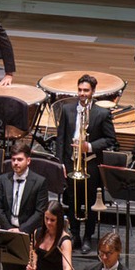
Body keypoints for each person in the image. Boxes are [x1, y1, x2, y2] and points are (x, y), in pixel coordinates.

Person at [53, 78, 118, 244]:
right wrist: (60, 163)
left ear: (93, 92)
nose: (82, 93)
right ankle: (74, 234)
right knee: (72, 200)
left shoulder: (102, 113)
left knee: (90, 201)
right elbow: (61, 138)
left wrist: (89, 146)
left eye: (86, 90)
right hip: (71, 162)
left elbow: (110, 139)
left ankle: (88, 236)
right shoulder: (67, 109)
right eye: (80, 90)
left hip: (90, 163)